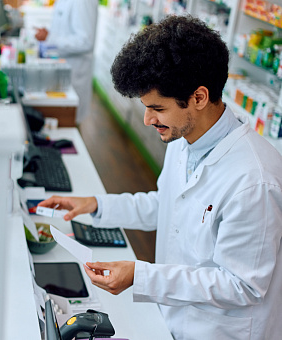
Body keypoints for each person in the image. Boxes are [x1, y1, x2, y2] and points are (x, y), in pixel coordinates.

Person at [38, 15, 282, 339]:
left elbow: (243, 286)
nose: (147, 119)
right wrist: (95, 205)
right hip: (174, 319)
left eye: (157, 108)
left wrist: (142, 276)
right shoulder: (185, 136)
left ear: (199, 97)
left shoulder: (254, 181)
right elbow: (166, 202)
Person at [34, 0, 98, 124]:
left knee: (71, 122)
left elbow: (85, 42)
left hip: (75, 72)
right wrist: (49, 34)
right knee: (63, 121)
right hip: (61, 68)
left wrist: (50, 38)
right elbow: (64, 29)